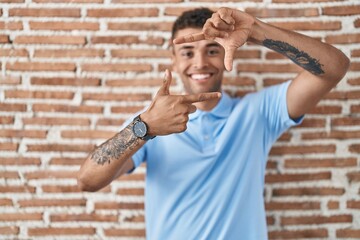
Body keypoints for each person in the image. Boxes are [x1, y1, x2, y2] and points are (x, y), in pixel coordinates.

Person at [77, 7, 350, 240]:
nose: (200, 62)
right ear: (173, 61)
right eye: (187, 53)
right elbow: (87, 181)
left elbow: (334, 68)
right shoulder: (148, 123)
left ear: (227, 52)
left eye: (212, 50)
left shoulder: (258, 111)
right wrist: (145, 127)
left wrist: (256, 30)